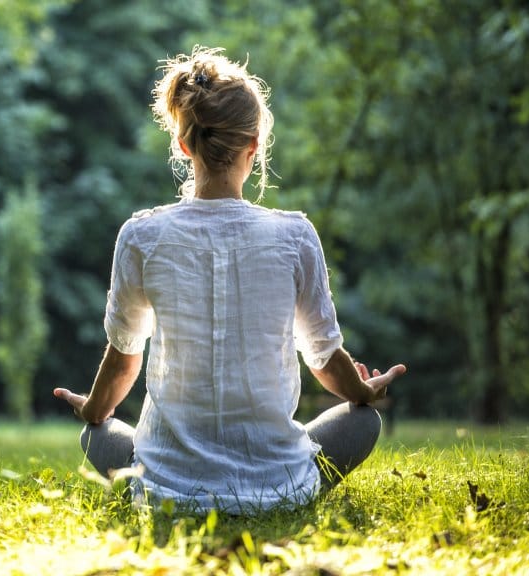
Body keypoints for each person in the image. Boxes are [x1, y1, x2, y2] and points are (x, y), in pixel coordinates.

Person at [53, 47, 406, 514]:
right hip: (278, 485)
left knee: (94, 434)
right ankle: (281, 489)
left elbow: (123, 361)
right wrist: (363, 392)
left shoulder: (141, 236)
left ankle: (164, 477)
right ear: (254, 146)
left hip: (166, 492)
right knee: (363, 424)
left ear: (183, 145)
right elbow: (323, 358)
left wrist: (94, 410)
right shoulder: (294, 236)